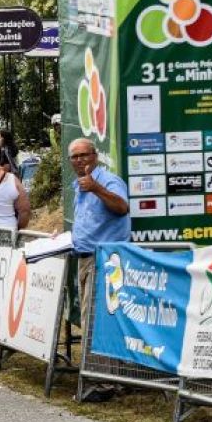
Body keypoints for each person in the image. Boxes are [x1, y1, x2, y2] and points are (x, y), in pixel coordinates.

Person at [67, 138, 131, 403]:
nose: (81, 160)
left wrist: (96, 189)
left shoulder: (108, 180)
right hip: (83, 257)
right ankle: (107, 378)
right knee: (92, 318)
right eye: (75, 157)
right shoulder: (78, 185)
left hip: (103, 259)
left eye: (85, 155)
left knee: (96, 321)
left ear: (95, 156)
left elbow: (122, 207)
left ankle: (101, 383)